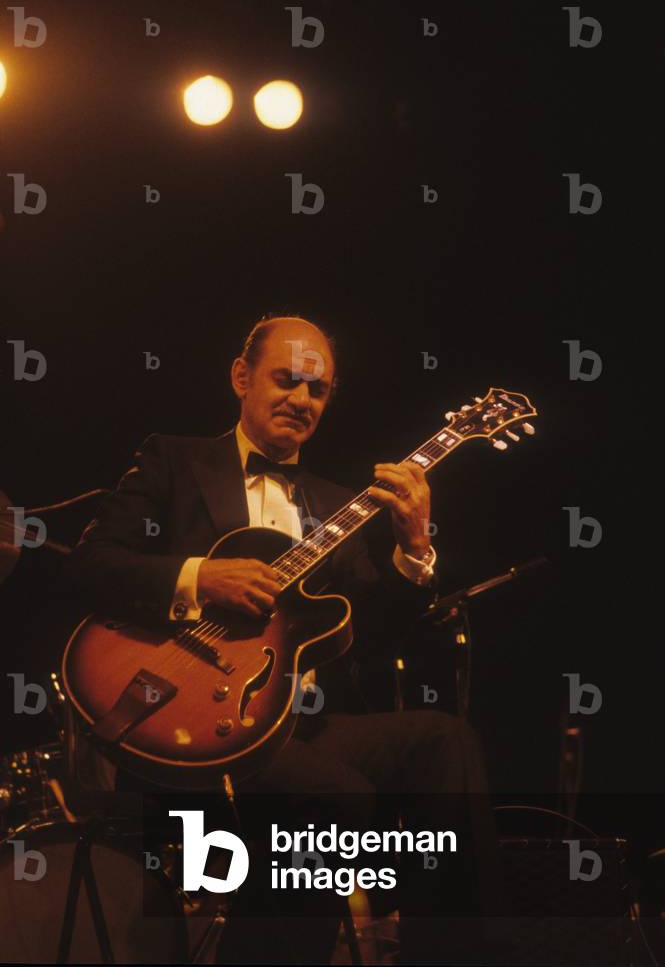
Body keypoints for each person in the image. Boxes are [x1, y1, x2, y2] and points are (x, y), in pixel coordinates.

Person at [65, 315, 500, 965]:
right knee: (336, 796)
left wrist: (414, 549)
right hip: (181, 718)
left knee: (447, 740)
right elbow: (91, 565)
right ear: (242, 377)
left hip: (294, 722)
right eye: (286, 379)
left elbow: (368, 637)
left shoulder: (335, 504)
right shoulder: (174, 459)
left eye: (317, 389)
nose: (301, 398)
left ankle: (456, 954)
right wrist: (198, 576)